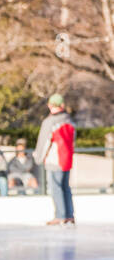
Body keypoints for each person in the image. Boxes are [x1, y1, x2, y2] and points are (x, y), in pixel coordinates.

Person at [35, 93, 76, 225]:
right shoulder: (69, 120)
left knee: (56, 187)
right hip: (67, 159)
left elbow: (44, 142)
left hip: (55, 159)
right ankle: (69, 215)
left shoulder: (49, 122)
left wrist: (39, 158)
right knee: (65, 187)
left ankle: (60, 216)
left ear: (50, 105)